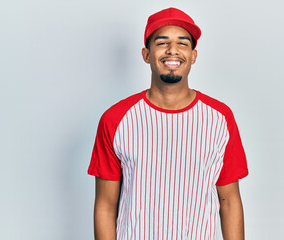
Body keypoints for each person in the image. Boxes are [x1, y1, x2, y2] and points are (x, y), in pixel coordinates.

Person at [88, 7, 248, 240]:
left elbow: (230, 201)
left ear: (193, 55)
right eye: (162, 42)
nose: (173, 50)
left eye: (183, 43)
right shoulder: (116, 119)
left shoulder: (219, 118)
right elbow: (105, 205)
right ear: (146, 54)